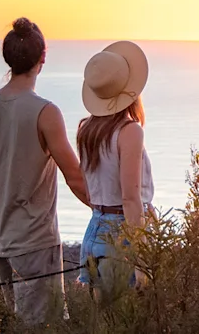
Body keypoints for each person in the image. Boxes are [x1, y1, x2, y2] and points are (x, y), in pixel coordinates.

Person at [0, 18, 91, 325]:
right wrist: (111, 214)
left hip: (1, 242)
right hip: (35, 242)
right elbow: (74, 177)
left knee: (19, 323)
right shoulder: (45, 112)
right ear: (42, 58)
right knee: (47, 327)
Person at [76, 41, 154, 298]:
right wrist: (142, 259)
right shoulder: (129, 131)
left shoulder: (86, 130)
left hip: (94, 229)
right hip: (121, 234)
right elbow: (130, 198)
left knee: (103, 322)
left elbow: (91, 190)